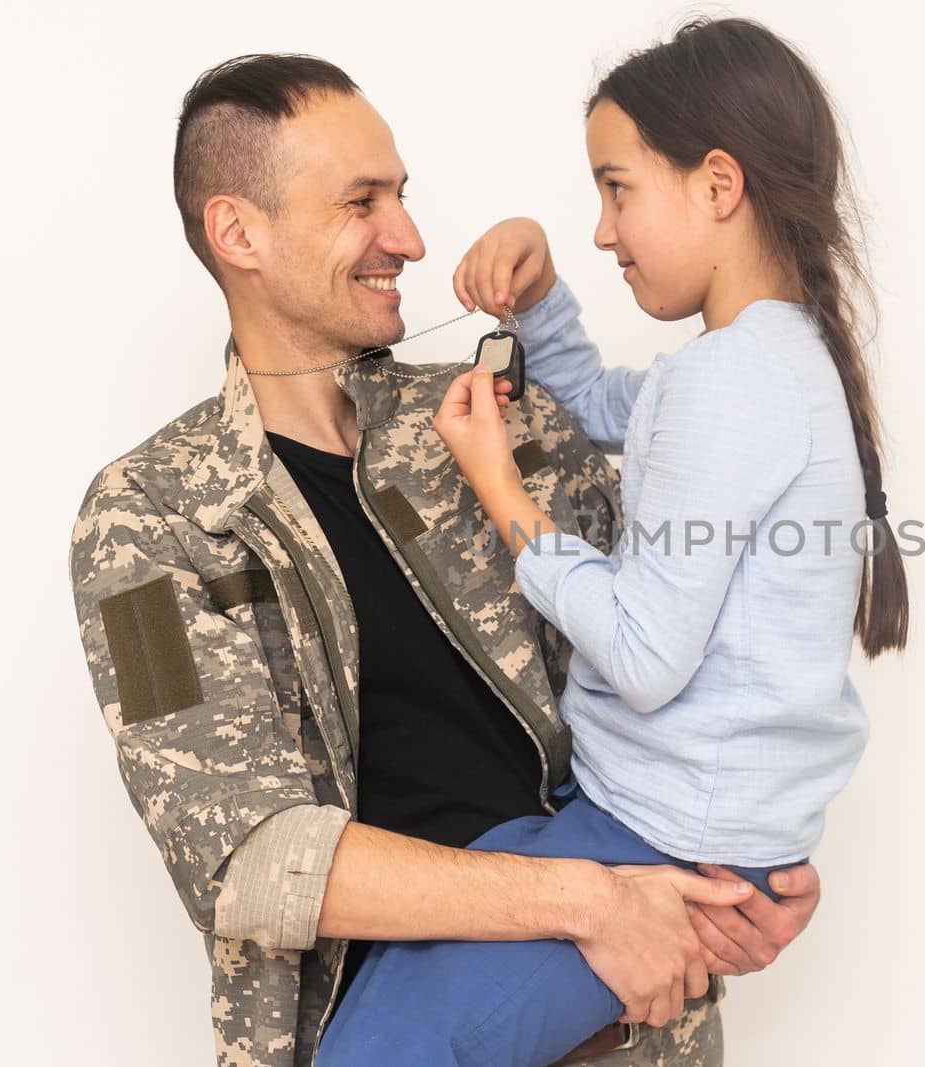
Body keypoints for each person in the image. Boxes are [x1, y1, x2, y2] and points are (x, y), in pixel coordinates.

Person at [66, 51, 824, 1067]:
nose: (410, 240)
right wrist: (593, 898)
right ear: (237, 231)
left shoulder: (496, 426)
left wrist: (744, 864)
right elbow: (248, 855)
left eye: (403, 196)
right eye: (361, 202)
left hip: (636, 1035)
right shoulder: (148, 519)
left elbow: (692, 607)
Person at [315, 16, 909, 1067]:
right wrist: (538, 295)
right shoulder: (768, 360)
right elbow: (594, 398)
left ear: (717, 185)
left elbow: (642, 656)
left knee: (382, 1046)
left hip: (664, 836)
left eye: (617, 188)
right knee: (410, 965)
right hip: (679, 821)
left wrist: (500, 487)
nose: (601, 228)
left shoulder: (731, 381)